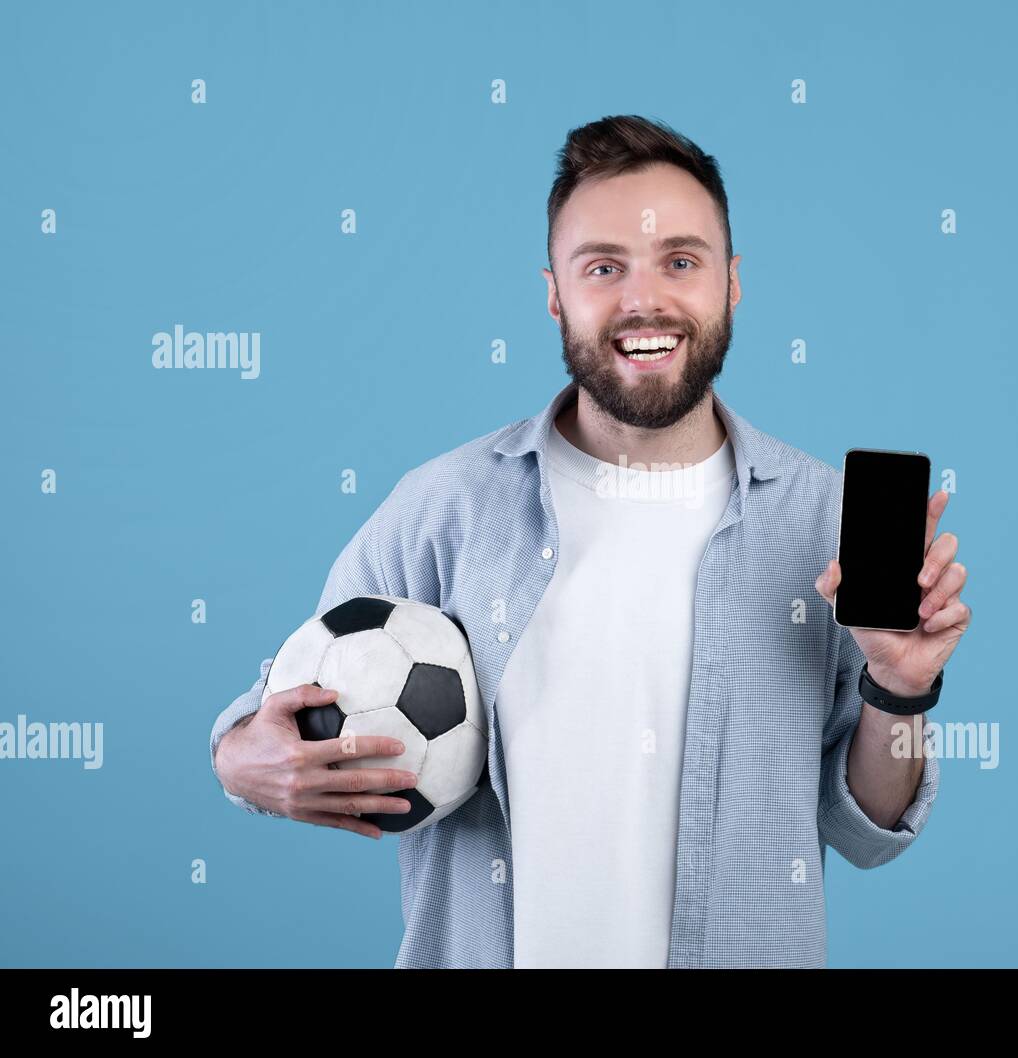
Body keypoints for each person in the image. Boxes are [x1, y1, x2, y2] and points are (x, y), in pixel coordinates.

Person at [211, 114, 972, 968]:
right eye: (604, 267)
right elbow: (273, 710)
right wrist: (244, 766)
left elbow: (868, 833)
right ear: (553, 293)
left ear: (732, 283)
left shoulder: (824, 524)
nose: (644, 301)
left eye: (681, 262)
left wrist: (900, 692)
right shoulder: (442, 507)